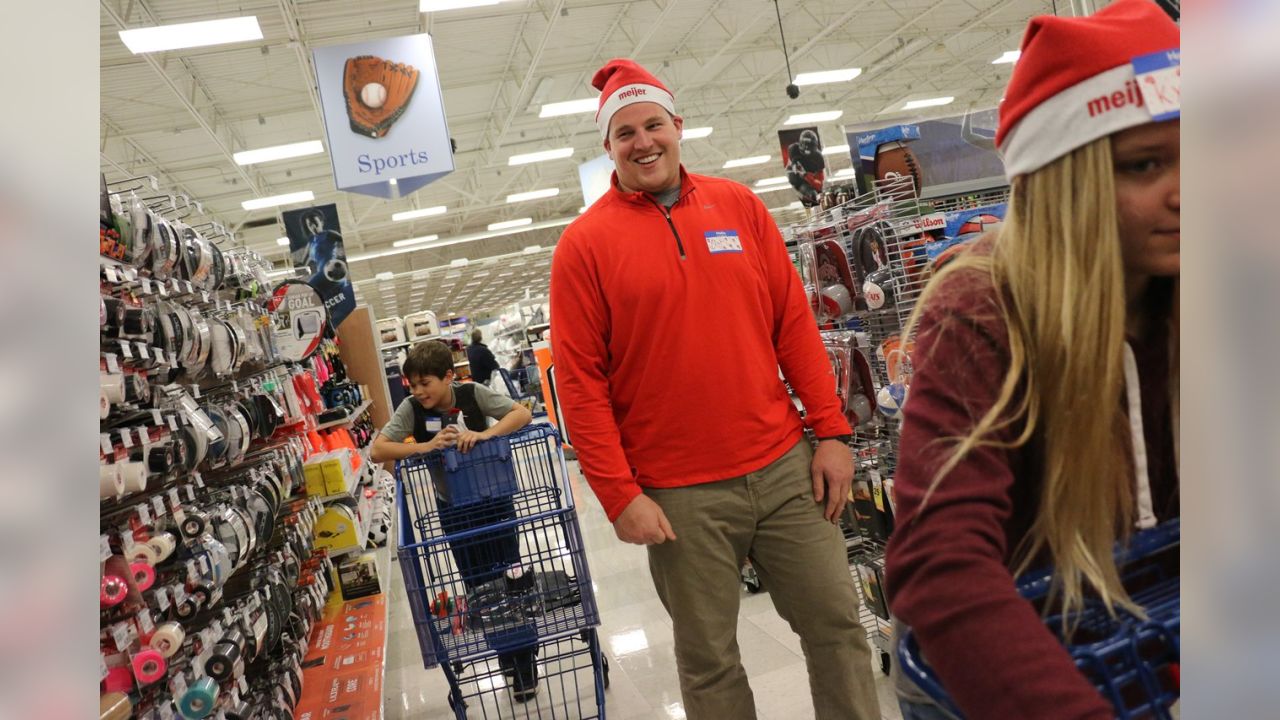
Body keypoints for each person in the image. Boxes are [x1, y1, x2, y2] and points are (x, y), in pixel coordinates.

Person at [548, 58, 880, 720]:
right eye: (624, 133)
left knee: (837, 627)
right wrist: (619, 496)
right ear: (607, 147)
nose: (642, 142)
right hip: (678, 494)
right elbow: (580, 386)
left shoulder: (738, 207)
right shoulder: (583, 248)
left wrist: (834, 434)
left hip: (786, 468)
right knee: (709, 662)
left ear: (677, 126)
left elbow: (795, 329)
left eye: (652, 125)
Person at [883, 2, 1180, 718]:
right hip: (995, 669)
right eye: (1144, 164)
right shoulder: (983, 309)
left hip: (1145, 624)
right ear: (1064, 183)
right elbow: (939, 563)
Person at [369, 340, 538, 700]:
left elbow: (521, 414)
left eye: (424, 383)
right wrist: (425, 447)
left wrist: (484, 434)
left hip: (495, 502)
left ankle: (524, 660)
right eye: (411, 385)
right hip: (454, 511)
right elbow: (378, 449)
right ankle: (506, 660)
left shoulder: (473, 394)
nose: (417, 391)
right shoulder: (412, 409)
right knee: (480, 586)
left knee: (511, 578)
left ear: (448, 377)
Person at [786, 128, 826, 207]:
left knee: (819, 194)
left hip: (810, 177)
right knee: (812, 195)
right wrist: (805, 175)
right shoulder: (794, 149)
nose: (807, 149)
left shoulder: (818, 157)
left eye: (810, 146)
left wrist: (814, 181)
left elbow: (820, 178)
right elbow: (796, 167)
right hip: (798, 178)